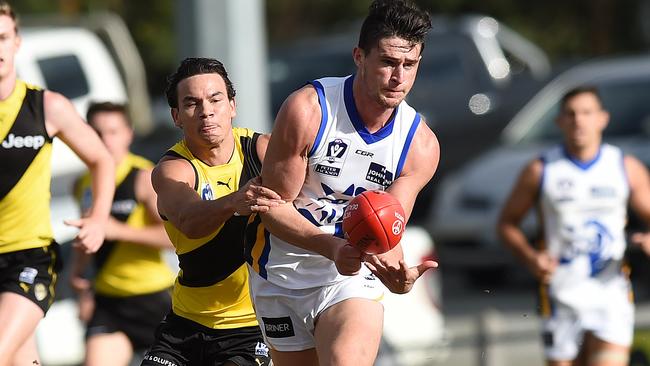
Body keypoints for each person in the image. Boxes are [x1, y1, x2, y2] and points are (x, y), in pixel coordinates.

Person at [245, 1, 440, 365]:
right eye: (387, 62)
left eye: (409, 65)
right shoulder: (309, 110)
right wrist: (330, 247)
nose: (399, 77)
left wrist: (396, 273)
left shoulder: (420, 145)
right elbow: (271, 208)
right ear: (359, 57)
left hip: (347, 280)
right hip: (280, 274)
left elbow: (386, 228)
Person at [140, 57, 279, 366]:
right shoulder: (173, 169)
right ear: (176, 116)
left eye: (215, 99)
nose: (206, 111)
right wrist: (234, 202)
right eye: (192, 104)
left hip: (250, 328)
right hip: (184, 326)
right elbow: (190, 221)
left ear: (232, 105)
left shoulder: (262, 151)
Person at [497, 86, 650, 366]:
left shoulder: (623, 166)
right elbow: (507, 225)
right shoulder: (541, 170)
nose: (579, 120)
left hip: (610, 294)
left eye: (587, 113)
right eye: (571, 114)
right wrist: (531, 258)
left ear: (602, 118)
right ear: (560, 122)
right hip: (561, 296)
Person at [0, 2, 115, 365]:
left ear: (17, 41)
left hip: (28, 257)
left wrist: (98, 218)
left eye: (1, 37)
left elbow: (102, 159)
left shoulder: (46, 106)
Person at [69, 101, 176, 365]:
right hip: (108, 301)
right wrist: (82, 288)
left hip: (152, 298)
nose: (105, 140)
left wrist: (118, 230)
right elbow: (89, 241)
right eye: (97, 132)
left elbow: (173, 238)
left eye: (113, 132)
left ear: (129, 134)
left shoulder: (144, 177)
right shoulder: (82, 183)